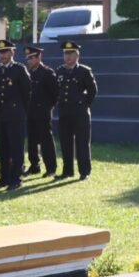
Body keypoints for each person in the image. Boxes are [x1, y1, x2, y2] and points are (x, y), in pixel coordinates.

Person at [0, 39, 31, 191]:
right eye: (0, 52)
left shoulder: (19, 69)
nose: (2, 55)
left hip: (15, 114)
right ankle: (4, 177)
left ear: (12, 53)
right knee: (3, 147)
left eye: (5, 52)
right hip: (1, 114)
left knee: (16, 147)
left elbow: (27, 93)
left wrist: (21, 111)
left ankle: (16, 178)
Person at [55, 40, 97, 181]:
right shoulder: (59, 71)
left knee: (82, 143)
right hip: (65, 112)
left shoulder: (84, 71)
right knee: (65, 142)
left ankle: (84, 171)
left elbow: (92, 90)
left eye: (71, 54)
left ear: (77, 55)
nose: (68, 57)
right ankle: (67, 170)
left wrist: (84, 105)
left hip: (80, 113)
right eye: (65, 54)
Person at [24, 45, 58, 177]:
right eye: (28, 58)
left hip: (43, 111)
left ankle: (51, 167)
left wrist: (48, 107)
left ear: (39, 57)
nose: (29, 60)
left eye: (32, 57)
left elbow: (55, 93)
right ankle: (34, 165)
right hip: (30, 111)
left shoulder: (47, 73)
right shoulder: (28, 73)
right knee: (32, 140)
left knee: (45, 139)